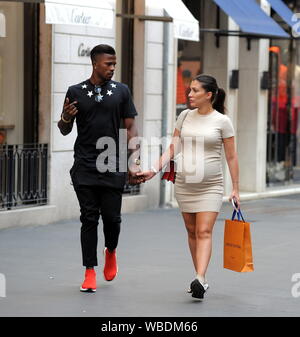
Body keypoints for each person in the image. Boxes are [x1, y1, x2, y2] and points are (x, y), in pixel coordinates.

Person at [137, 74, 240, 300]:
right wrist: (153, 170)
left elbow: (231, 157)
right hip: (184, 184)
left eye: (195, 91)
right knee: (192, 231)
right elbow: (172, 150)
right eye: (190, 90)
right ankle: (198, 277)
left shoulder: (222, 121)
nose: (190, 94)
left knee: (204, 231)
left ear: (209, 95)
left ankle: (200, 278)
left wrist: (235, 189)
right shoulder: (184, 116)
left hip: (211, 185)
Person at [57, 44, 143, 293]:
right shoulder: (75, 91)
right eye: (108, 64)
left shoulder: (122, 91)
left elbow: (131, 128)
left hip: (113, 163)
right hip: (84, 164)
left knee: (113, 220)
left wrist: (134, 161)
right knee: (89, 219)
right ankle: (89, 271)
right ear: (95, 63)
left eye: (114, 64)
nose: (113, 68)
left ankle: (111, 250)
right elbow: (64, 129)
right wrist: (65, 117)